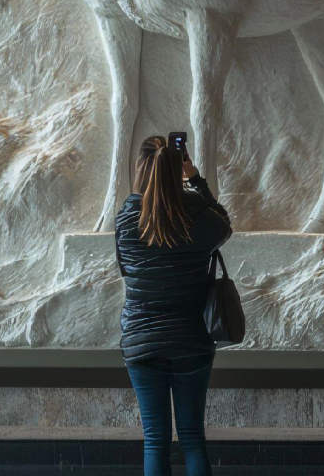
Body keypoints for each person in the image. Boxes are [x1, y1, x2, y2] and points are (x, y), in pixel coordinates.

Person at [114, 134, 233, 476]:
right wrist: (194, 179)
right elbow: (225, 226)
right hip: (191, 342)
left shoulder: (126, 218)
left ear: (141, 170)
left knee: (155, 441)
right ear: (176, 170)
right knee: (193, 438)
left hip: (141, 343)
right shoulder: (198, 216)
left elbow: (125, 268)